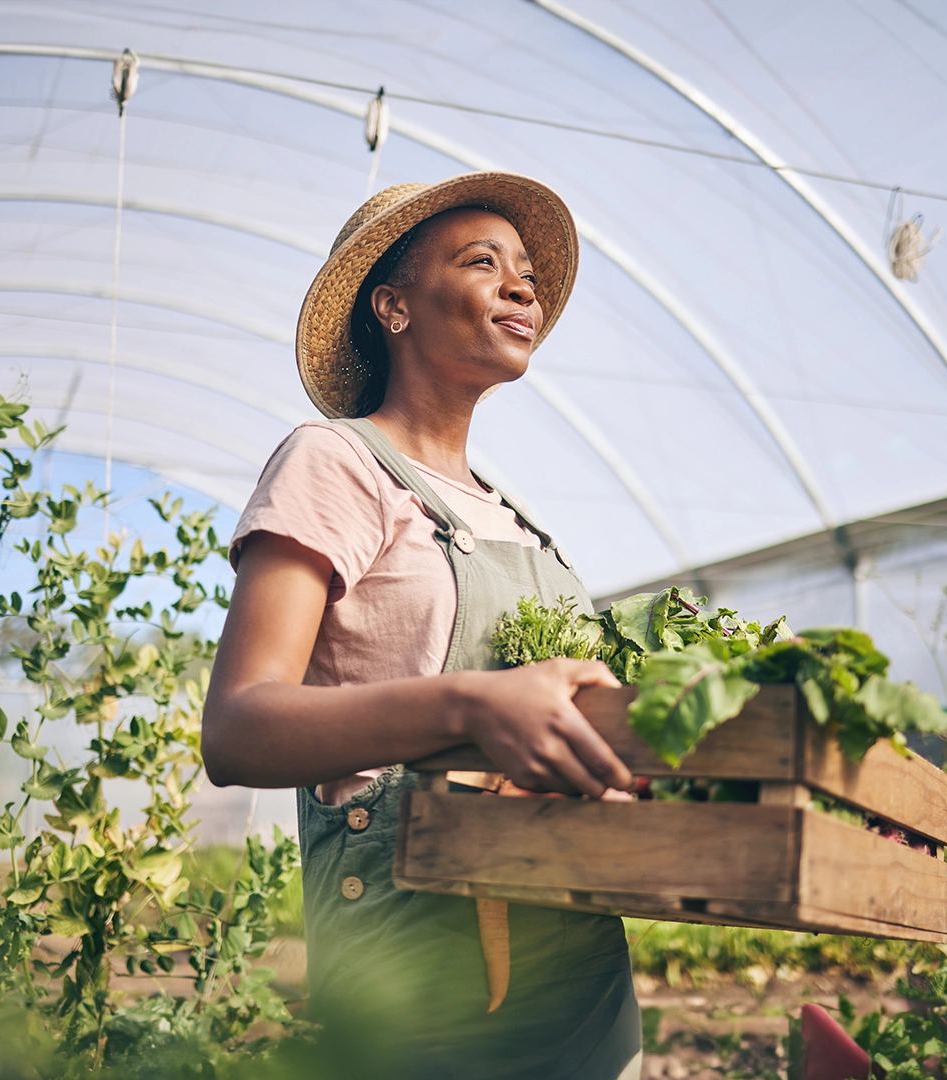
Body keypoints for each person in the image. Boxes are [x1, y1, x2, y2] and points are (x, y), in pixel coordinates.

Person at [202, 173, 642, 1078]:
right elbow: (238, 727)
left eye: (527, 271)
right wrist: (474, 708)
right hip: (420, 981)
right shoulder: (336, 464)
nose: (525, 287)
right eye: (484, 263)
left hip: (584, 980)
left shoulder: (519, 521)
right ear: (394, 305)